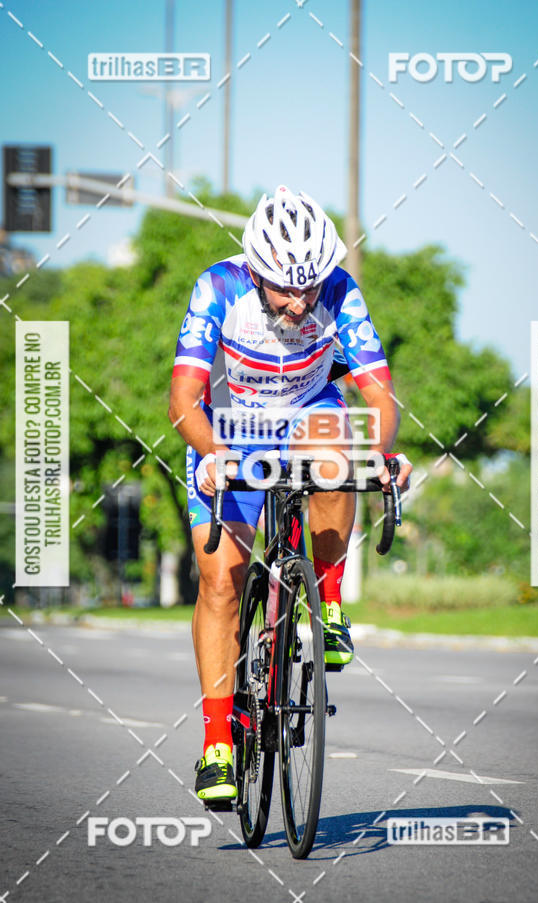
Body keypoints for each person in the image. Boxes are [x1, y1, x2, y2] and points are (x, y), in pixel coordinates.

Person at [169, 186, 412, 803]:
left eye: (309, 287)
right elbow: (182, 403)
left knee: (339, 457)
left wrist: (382, 456)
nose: (299, 301)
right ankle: (218, 744)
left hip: (308, 416)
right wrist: (217, 460)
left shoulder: (339, 293)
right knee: (220, 580)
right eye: (284, 288)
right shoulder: (217, 289)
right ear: (254, 268)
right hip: (229, 428)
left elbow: (380, 397)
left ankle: (326, 602)